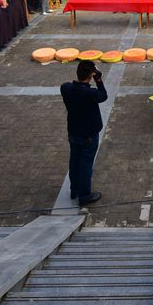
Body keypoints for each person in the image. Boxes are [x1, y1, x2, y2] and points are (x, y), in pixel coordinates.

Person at [60, 60, 107, 207]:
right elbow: (103, 96)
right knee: (86, 165)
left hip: (73, 132)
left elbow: (70, 85)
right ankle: (84, 195)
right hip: (88, 135)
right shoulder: (90, 93)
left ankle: (74, 190)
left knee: (74, 162)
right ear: (91, 75)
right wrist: (99, 80)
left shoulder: (65, 88)